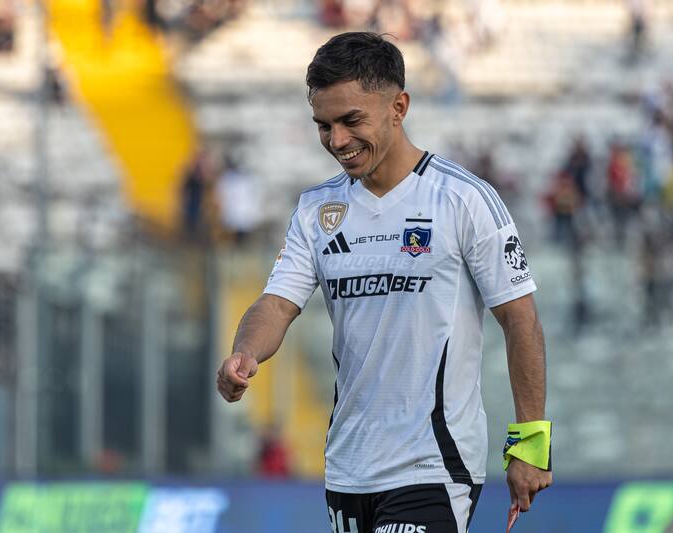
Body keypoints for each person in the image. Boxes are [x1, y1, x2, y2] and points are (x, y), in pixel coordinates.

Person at [216, 32, 552, 533]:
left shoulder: (463, 199)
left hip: (434, 464)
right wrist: (245, 351)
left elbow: (520, 319)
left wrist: (530, 444)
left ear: (399, 106)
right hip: (348, 468)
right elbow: (277, 303)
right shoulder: (316, 210)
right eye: (324, 126)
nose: (338, 141)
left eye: (352, 121)